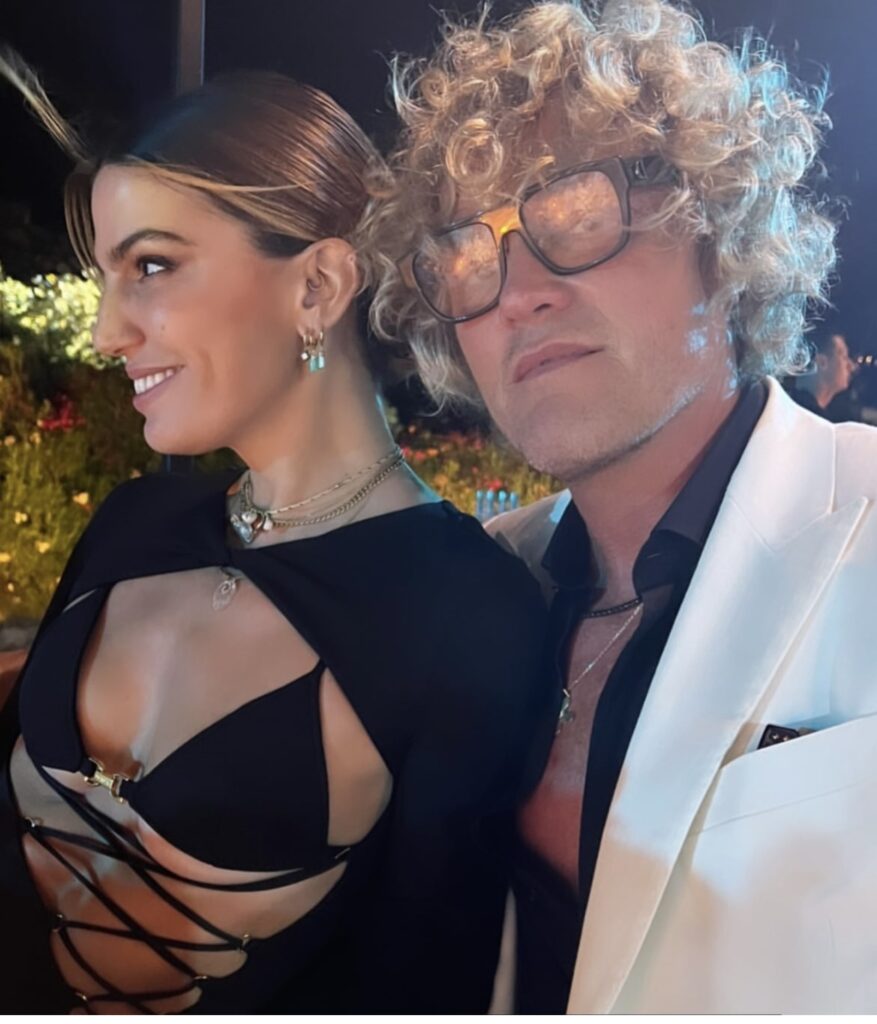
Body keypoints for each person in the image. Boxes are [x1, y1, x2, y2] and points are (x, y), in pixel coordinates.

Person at [0, 55, 551, 1014]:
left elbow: (428, 981)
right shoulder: (134, 524)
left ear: (318, 285)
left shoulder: (470, 615)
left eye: (152, 267)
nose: (106, 332)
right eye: (107, 278)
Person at [364, 0, 877, 1013]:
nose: (516, 291)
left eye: (574, 211)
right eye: (467, 253)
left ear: (716, 225)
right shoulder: (480, 588)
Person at [787, 331, 857, 419]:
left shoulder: (789, 406)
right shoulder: (804, 417)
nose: (851, 366)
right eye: (844, 357)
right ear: (822, 362)